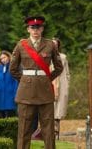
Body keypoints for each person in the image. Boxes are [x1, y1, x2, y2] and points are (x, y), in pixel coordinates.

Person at [10, 15, 63, 149]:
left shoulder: (50, 45)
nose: (35, 30)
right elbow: (13, 69)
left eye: (38, 27)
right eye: (32, 27)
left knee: (48, 128)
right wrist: (24, 80)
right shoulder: (21, 45)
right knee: (24, 128)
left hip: (44, 91)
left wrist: (46, 79)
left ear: (42, 29)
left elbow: (59, 67)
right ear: (28, 29)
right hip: (26, 92)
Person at [51, 38, 70, 139]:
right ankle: (50, 132)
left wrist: (67, 84)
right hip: (50, 84)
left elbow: (67, 73)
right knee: (51, 108)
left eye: (55, 44)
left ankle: (56, 132)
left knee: (59, 110)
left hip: (62, 84)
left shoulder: (63, 57)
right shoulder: (46, 56)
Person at [0, 50, 18, 118]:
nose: (3, 60)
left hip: (10, 95)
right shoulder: (0, 68)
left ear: (8, 57)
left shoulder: (13, 67)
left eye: (4, 57)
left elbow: (15, 81)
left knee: (10, 115)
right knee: (1, 116)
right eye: (1, 59)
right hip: (0, 95)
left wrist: (15, 94)